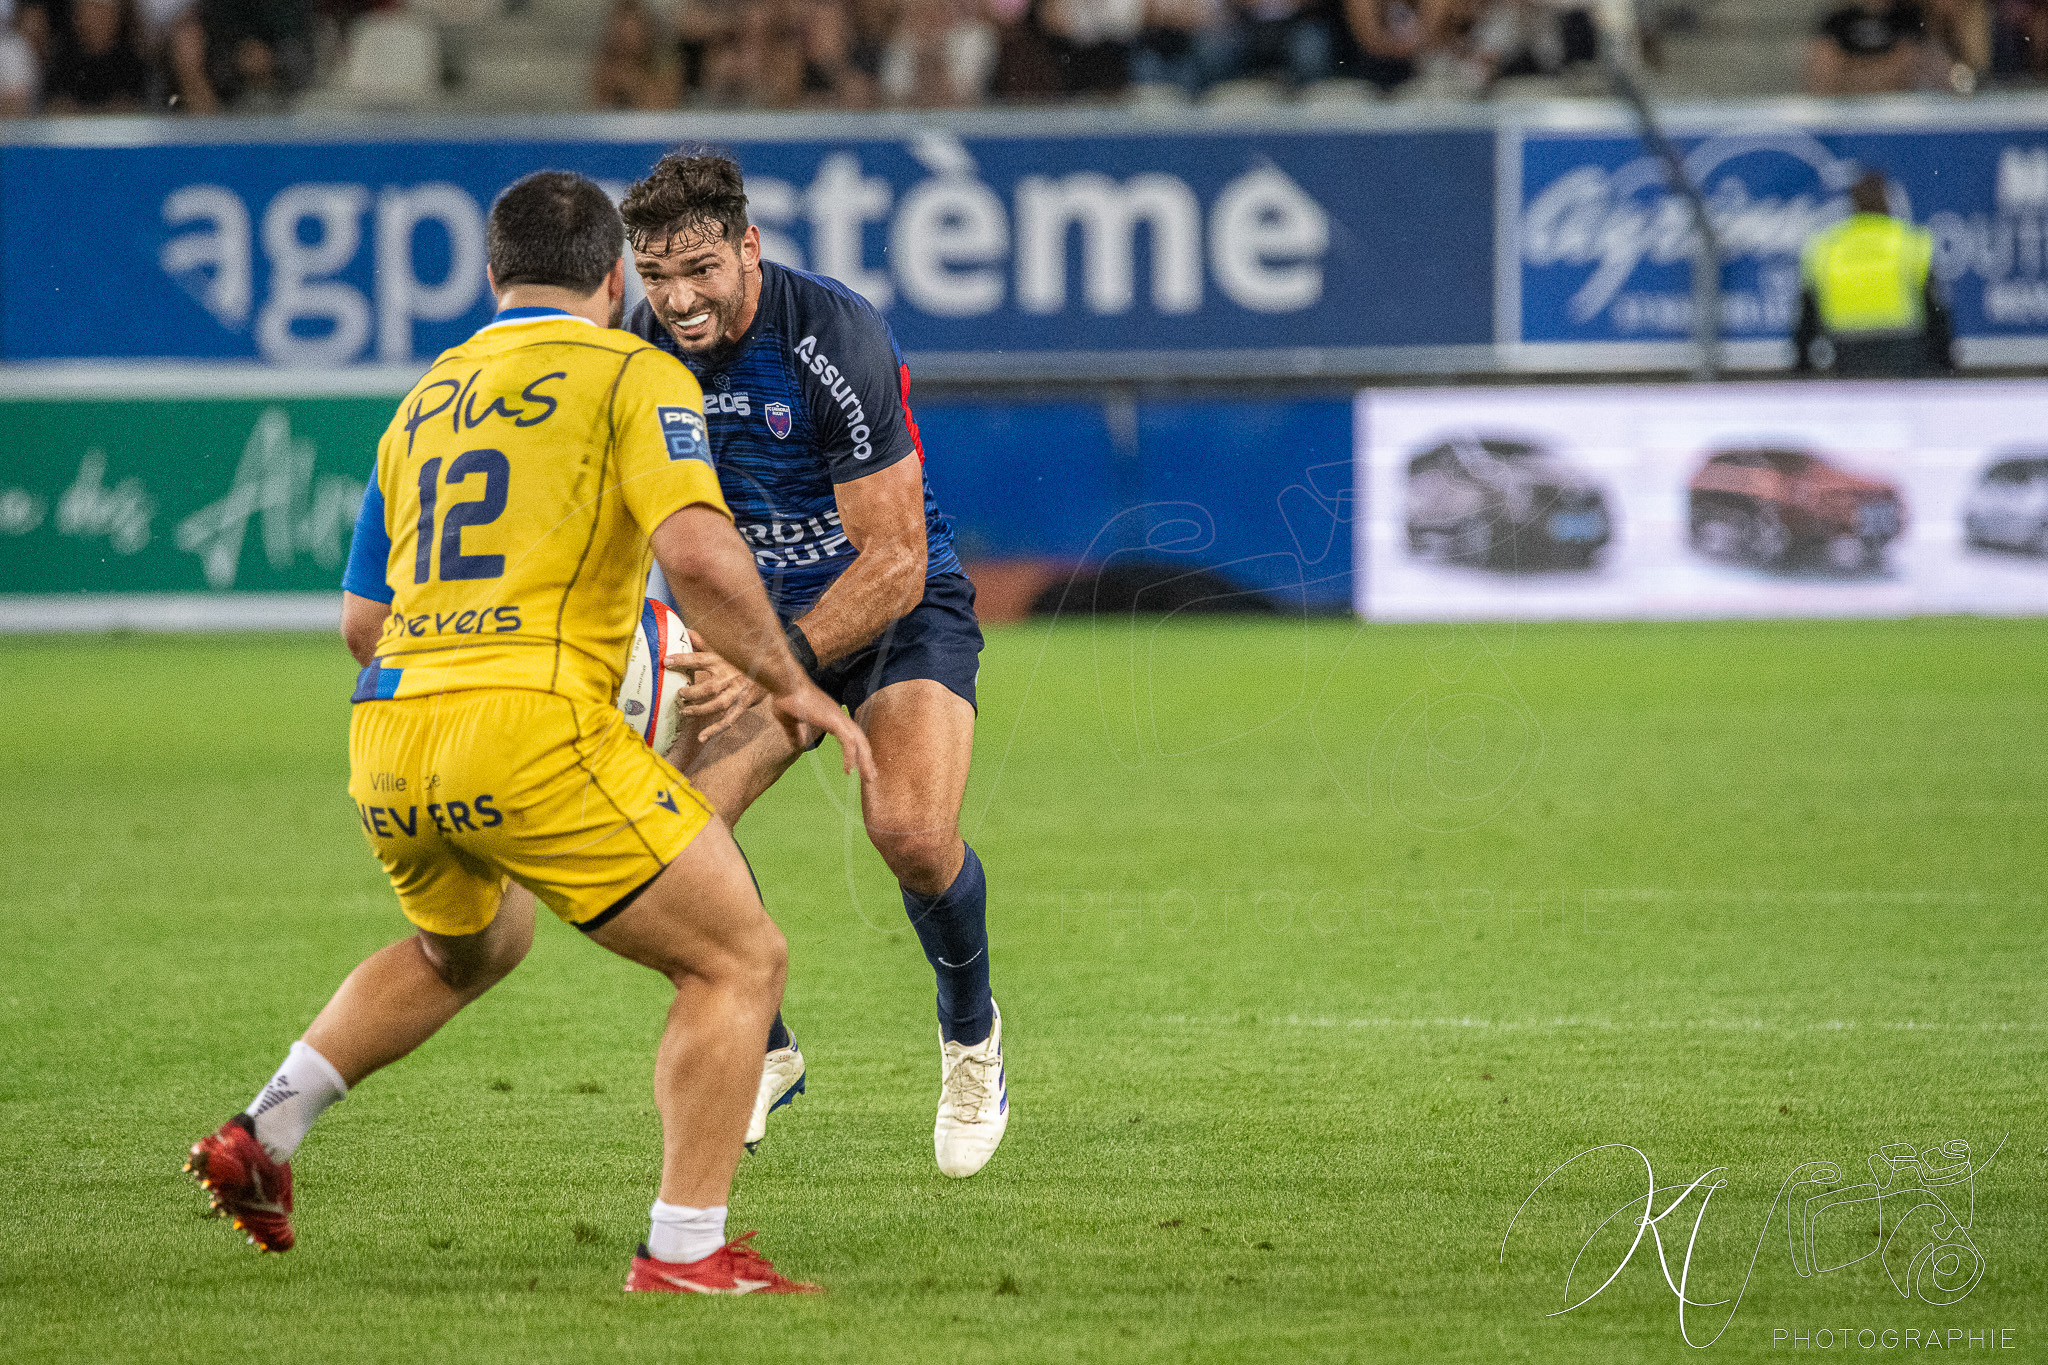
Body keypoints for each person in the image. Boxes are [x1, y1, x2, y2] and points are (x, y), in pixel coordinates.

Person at [184, 170, 875, 1295]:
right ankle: (687, 1252)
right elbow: (697, 555)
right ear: (615, 278)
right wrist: (788, 683)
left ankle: (262, 1137)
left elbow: (362, 620)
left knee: (471, 948)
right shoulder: (633, 371)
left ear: (491, 277)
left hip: (391, 734)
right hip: (533, 727)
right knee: (738, 959)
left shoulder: (427, 396)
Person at [543, 147, 1009, 1179]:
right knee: (670, 838)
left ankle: (971, 1040)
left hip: (894, 612)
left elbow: (888, 558)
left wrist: (773, 662)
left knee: (911, 834)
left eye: (700, 270)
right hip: (751, 626)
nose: (680, 299)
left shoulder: (830, 335)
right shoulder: (633, 354)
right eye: (657, 278)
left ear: (747, 249)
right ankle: (770, 1047)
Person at [1793, 170, 1956, 379]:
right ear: (1888, 199)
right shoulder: (1909, 242)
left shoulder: (1827, 246)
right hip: (1902, 346)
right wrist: (1943, 363)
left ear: (1852, 203)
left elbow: (1807, 314)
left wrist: (1802, 365)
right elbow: (1935, 309)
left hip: (1848, 348)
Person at [1806, 0, 1927, 93]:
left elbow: (1906, 72)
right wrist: (1881, 68)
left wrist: (1851, 68)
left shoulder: (1908, 19)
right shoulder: (1836, 21)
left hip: (1895, 107)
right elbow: (1824, 79)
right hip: (1848, 108)